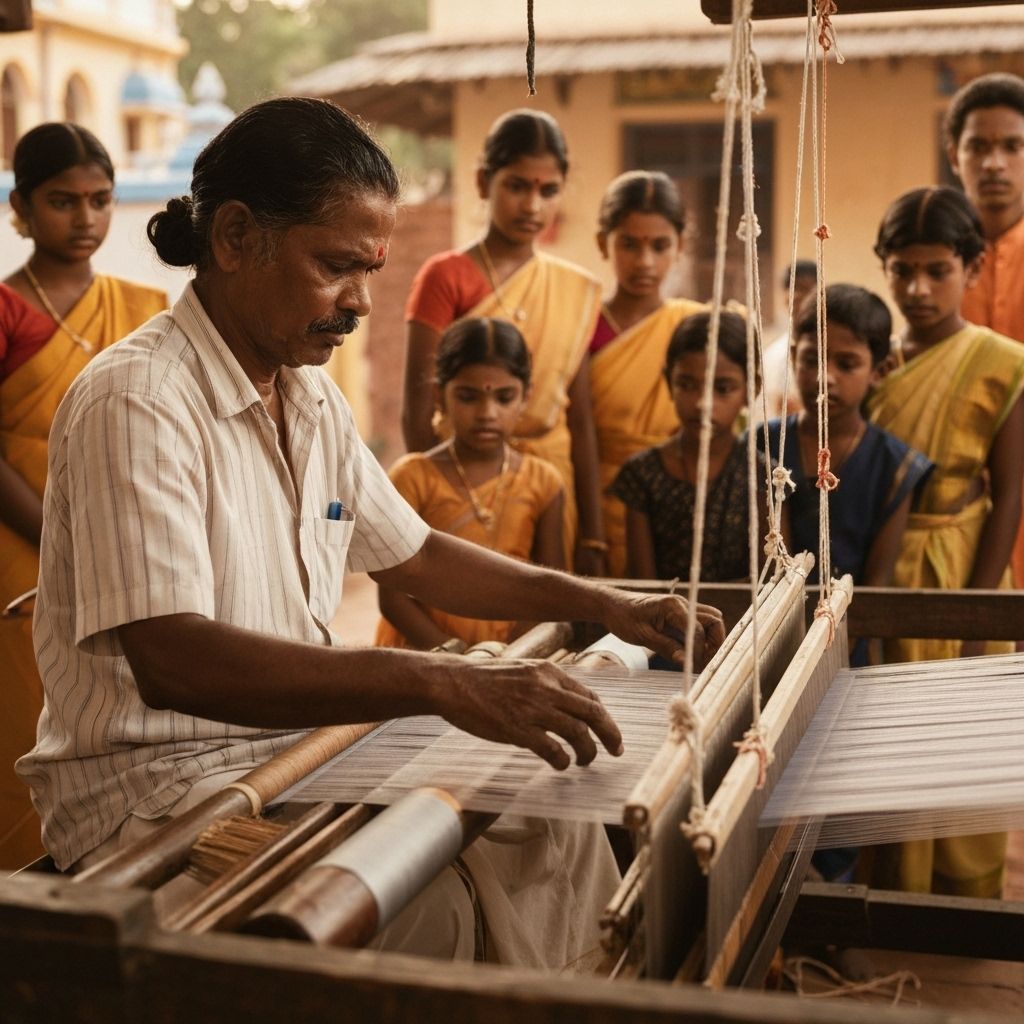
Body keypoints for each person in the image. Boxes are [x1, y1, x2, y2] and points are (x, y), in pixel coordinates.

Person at [16, 98, 724, 967]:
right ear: (236, 238)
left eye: (372, 271)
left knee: (547, 819)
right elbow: (174, 658)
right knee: (426, 917)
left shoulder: (306, 393)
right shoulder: (138, 399)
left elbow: (415, 552)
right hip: (159, 799)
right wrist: (435, 681)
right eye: (336, 267)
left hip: (295, 756)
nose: (359, 303)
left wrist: (604, 604)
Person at [0, 122, 166, 869]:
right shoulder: (4, 312)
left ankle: (120, 871)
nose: (87, 218)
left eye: (100, 199)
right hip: (19, 552)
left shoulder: (147, 305)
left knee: (128, 708)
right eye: (63, 201)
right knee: (22, 721)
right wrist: (64, 540)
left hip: (134, 548)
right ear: (21, 210)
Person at [866, 186, 1024, 898]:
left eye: (937, 270)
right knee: (882, 744)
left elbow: (1010, 493)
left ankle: (964, 910)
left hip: (963, 567)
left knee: (961, 746)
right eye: (902, 270)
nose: (918, 288)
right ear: (883, 268)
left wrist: (975, 612)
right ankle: (887, 895)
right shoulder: (868, 362)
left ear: (973, 267)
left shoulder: (1003, 363)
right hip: (881, 573)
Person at [402, 109, 605, 573]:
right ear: (482, 182)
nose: (533, 206)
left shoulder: (575, 290)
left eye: (547, 190)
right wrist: (434, 503)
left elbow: (581, 422)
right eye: (517, 185)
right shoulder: (445, 277)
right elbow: (417, 411)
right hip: (462, 480)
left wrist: (592, 537)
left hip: (549, 488)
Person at [377, 316, 565, 649]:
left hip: (513, 655)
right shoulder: (413, 477)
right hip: (423, 655)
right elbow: (393, 597)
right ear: (439, 394)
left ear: (527, 396)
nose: (487, 413)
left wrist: (511, 657)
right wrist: (454, 657)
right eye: (468, 397)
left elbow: (550, 592)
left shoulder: (543, 482)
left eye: (504, 398)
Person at [765, 283, 932, 611]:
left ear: (879, 372)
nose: (825, 377)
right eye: (811, 359)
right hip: (766, 633)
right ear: (793, 357)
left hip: (851, 636)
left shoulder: (895, 466)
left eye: (847, 364)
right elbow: (765, 568)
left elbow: (875, 584)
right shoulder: (763, 445)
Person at [588, 170, 705, 578]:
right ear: (603, 243)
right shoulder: (583, 325)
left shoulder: (695, 327)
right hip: (599, 508)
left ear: (681, 246)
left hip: (683, 504)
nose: (645, 262)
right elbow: (577, 433)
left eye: (660, 246)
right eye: (629, 245)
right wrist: (591, 533)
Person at [610, 310, 766, 583]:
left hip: (749, 624)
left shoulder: (763, 478)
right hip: (662, 621)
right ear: (668, 382)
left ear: (751, 390)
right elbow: (644, 584)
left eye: (722, 388)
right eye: (687, 384)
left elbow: (770, 582)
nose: (702, 404)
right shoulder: (643, 474)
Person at [946, 72, 1024, 591]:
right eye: (978, 146)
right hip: (959, 505)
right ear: (955, 155)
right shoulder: (934, 264)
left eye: (1013, 145)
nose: (994, 162)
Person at [754, 260, 816, 425]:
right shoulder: (772, 355)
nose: (798, 296)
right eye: (794, 288)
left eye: (807, 289)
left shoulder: (830, 349)